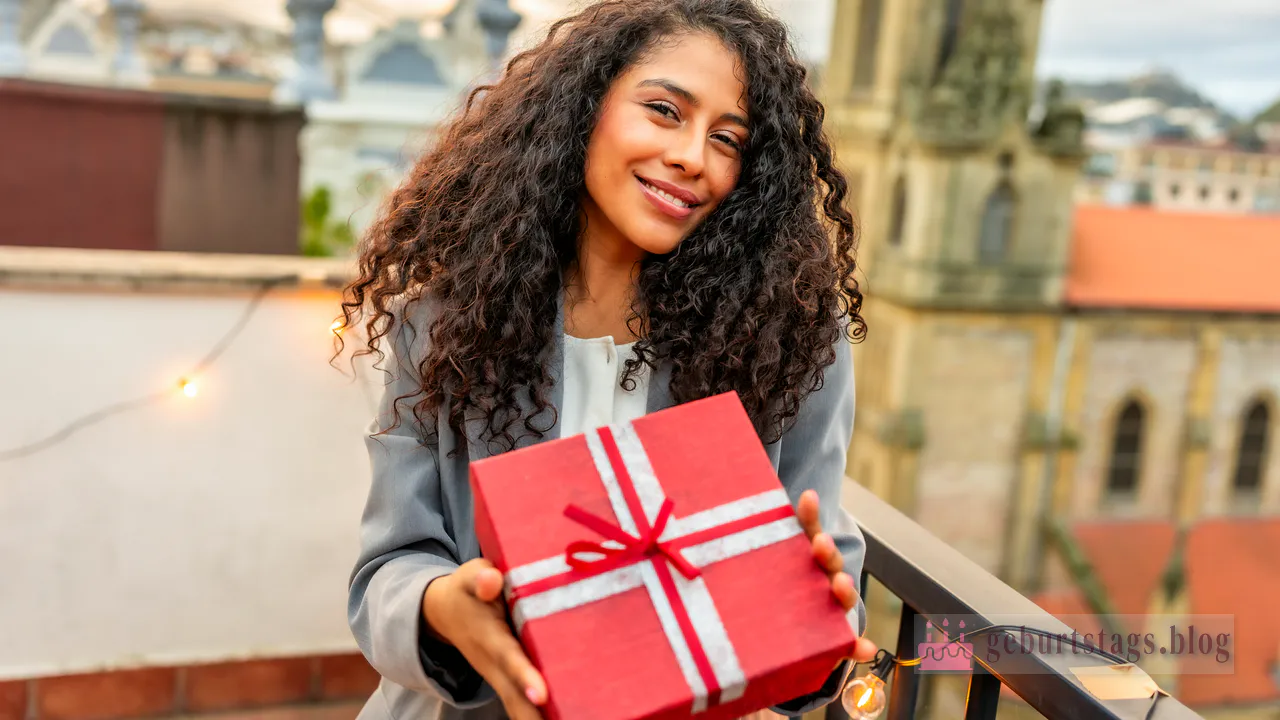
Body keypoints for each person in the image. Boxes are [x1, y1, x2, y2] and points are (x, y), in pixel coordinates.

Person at [339, 0, 877, 718]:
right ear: (584, 109)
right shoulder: (446, 324)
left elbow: (829, 592)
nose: (693, 156)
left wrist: (814, 616)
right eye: (664, 110)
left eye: (728, 140)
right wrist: (441, 605)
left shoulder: (792, 339)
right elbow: (386, 571)